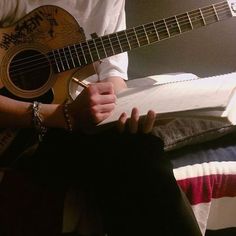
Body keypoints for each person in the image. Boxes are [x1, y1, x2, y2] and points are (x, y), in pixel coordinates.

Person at [0, 0, 202, 235]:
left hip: (74, 121)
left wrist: (123, 111)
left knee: (140, 150)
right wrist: (64, 116)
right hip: (20, 132)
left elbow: (112, 77)